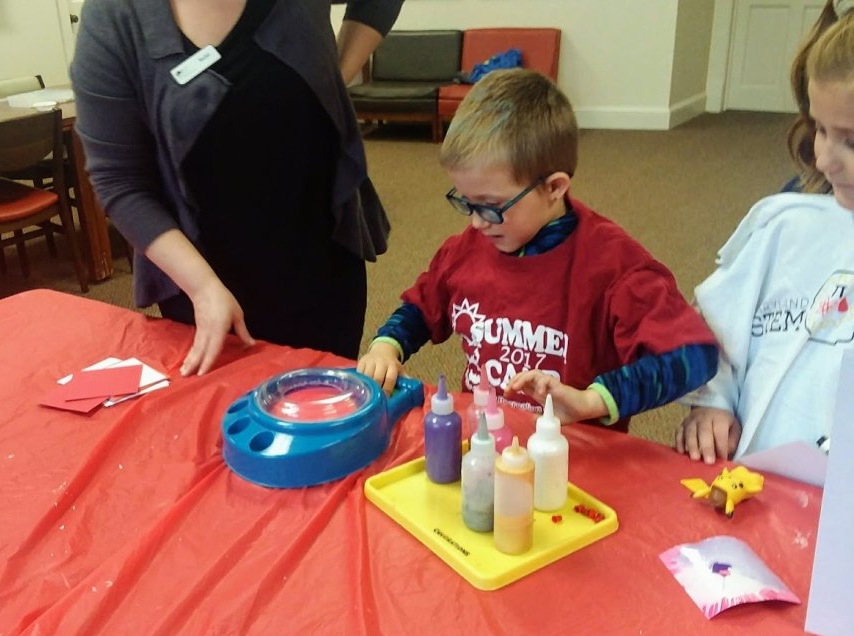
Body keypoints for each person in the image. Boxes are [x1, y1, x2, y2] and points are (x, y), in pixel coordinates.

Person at [357, 68, 718, 430]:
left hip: (569, 459)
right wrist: (387, 346)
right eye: (466, 202)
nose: (477, 223)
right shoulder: (468, 249)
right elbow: (422, 307)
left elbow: (693, 355)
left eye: (491, 205)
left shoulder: (614, 267)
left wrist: (590, 400)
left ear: (555, 187)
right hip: (484, 444)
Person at [70, 0, 403, 376]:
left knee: (322, 415)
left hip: (322, 271)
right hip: (203, 292)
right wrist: (203, 288)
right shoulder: (116, 16)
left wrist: (336, 71)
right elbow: (119, 181)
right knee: (221, 424)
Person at [674, 0, 854, 463]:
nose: (824, 160)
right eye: (819, 129)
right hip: (757, 481)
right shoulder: (788, 220)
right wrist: (713, 401)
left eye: (852, 140)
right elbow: (722, 324)